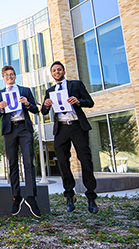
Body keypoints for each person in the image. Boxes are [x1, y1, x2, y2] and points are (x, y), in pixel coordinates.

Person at [41, 61, 98, 214]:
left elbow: (90, 102)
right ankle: (69, 196)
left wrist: (78, 101)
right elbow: (43, 111)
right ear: (52, 74)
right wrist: (46, 105)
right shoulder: (50, 90)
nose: (57, 72)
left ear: (63, 72)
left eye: (59, 70)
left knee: (85, 160)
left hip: (77, 126)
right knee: (63, 163)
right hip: (61, 129)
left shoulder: (76, 85)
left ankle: (91, 197)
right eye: (54, 70)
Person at [0, 65, 41, 218]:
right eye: (7, 75)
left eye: (12, 74)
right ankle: (16, 197)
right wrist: (1, 109)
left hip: (24, 128)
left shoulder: (25, 90)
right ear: (3, 78)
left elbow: (35, 109)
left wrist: (27, 103)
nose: (9, 77)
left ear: (15, 76)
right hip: (9, 130)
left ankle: (31, 197)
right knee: (12, 163)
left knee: (29, 162)